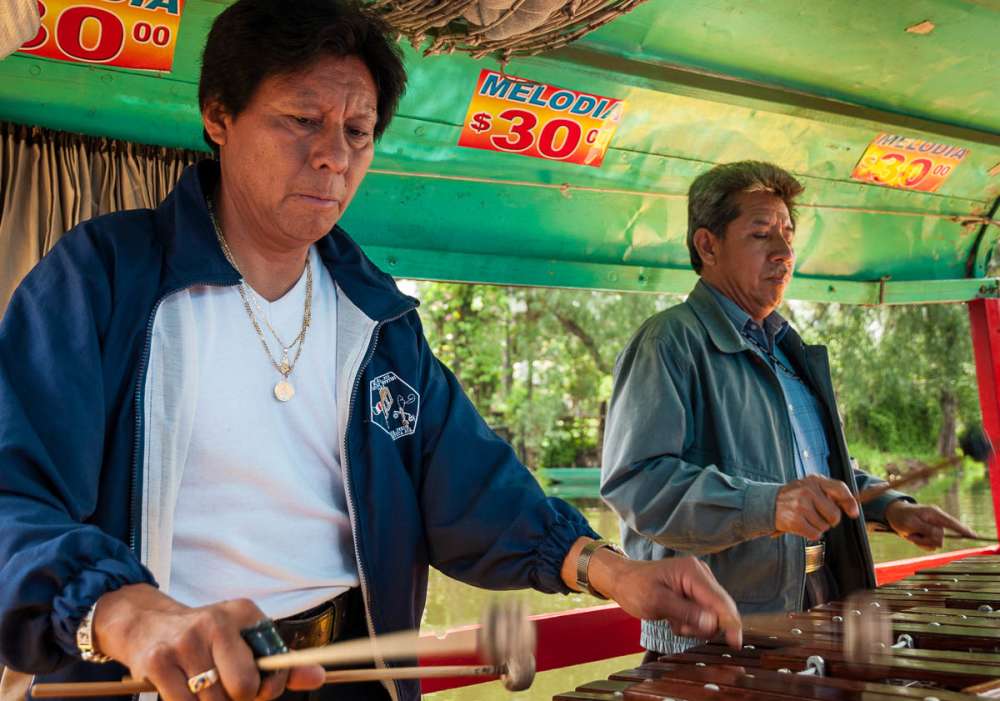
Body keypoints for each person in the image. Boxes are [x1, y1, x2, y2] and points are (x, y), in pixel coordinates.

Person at [0, 2, 741, 701]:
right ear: (218, 117)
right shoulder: (103, 278)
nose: (333, 157)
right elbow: (11, 496)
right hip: (167, 680)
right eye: (301, 120)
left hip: (346, 675)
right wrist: (128, 612)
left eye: (358, 132)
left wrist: (613, 570)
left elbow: (472, 485)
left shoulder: (378, 319)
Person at [600, 160, 977, 659]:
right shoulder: (670, 342)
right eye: (761, 234)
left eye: (788, 234)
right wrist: (770, 505)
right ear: (707, 245)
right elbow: (639, 485)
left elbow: (813, 474)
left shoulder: (788, 349)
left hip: (815, 607)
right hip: (715, 630)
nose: (783, 253)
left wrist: (892, 509)